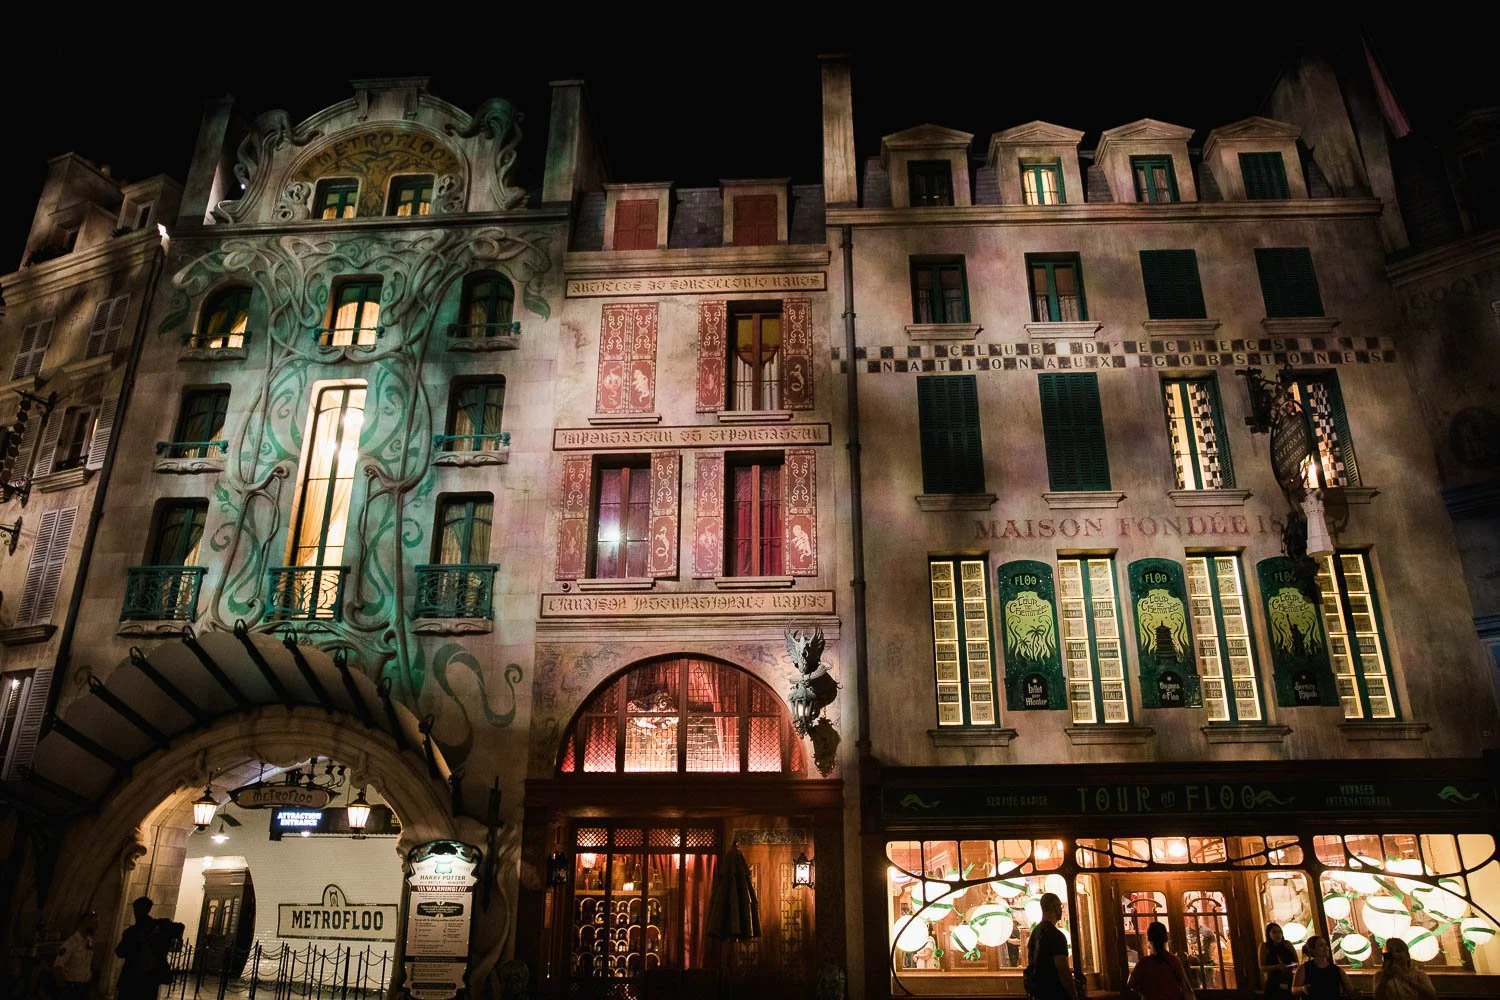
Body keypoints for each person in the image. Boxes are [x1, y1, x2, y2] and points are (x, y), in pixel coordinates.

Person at [115, 897, 183, 1000]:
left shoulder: (156, 926)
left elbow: (179, 927)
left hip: (145, 977)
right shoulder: (132, 931)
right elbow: (120, 952)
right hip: (136, 977)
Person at [1024, 892, 1078, 1000]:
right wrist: (1074, 995)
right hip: (1055, 993)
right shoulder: (1056, 935)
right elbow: (1062, 970)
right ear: (1055, 908)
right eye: (1060, 906)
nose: (1061, 910)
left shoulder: (1035, 932)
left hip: (1038, 993)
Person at [1127, 921, 1194, 1000]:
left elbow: (1131, 984)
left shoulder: (1144, 963)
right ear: (1166, 939)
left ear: (1149, 939)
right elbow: (1185, 987)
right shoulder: (1174, 960)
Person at [1373, 937, 1437, 1000]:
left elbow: (1432, 996)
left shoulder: (1419, 975)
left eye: (1398, 951)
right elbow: (1377, 997)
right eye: (1391, 953)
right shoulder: (1380, 975)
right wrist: (1384, 978)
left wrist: (1405, 978)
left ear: (1407, 956)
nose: (1395, 955)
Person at [53, 911, 97, 1000]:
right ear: (82, 923)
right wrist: (65, 990)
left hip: (84, 987)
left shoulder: (89, 942)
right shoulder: (71, 943)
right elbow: (57, 968)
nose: (96, 925)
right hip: (72, 988)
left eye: (95, 922)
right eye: (92, 922)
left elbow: (88, 963)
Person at [1294, 936, 1353, 1000]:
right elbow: (1294, 990)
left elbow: (1350, 989)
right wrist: (1303, 989)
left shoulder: (1336, 969)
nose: (1326, 948)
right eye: (1321, 945)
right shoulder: (1304, 968)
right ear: (1312, 950)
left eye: (1326, 945)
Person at [1259, 922, 1298, 1000]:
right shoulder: (1264, 946)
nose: (1278, 934)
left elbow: (1297, 962)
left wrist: (1288, 966)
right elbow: (1262, 967)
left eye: (1280, 932)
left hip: (1288, 979)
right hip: (1273, 982)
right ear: (1268, 934)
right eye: (1274, 932)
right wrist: (1276, 967)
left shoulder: (1287, 944)